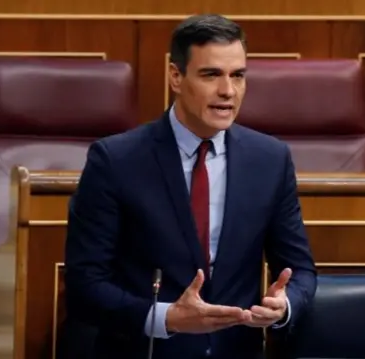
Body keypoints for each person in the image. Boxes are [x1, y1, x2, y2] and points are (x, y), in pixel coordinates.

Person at [64, 13, 318, 359]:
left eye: (238, 76)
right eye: (211, 74)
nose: (228, 91)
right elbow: (84, 285)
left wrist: (284, 306)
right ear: (176, 77)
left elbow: (300, 269)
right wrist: (166, 318)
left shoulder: (270, 160)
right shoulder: (116, 160)